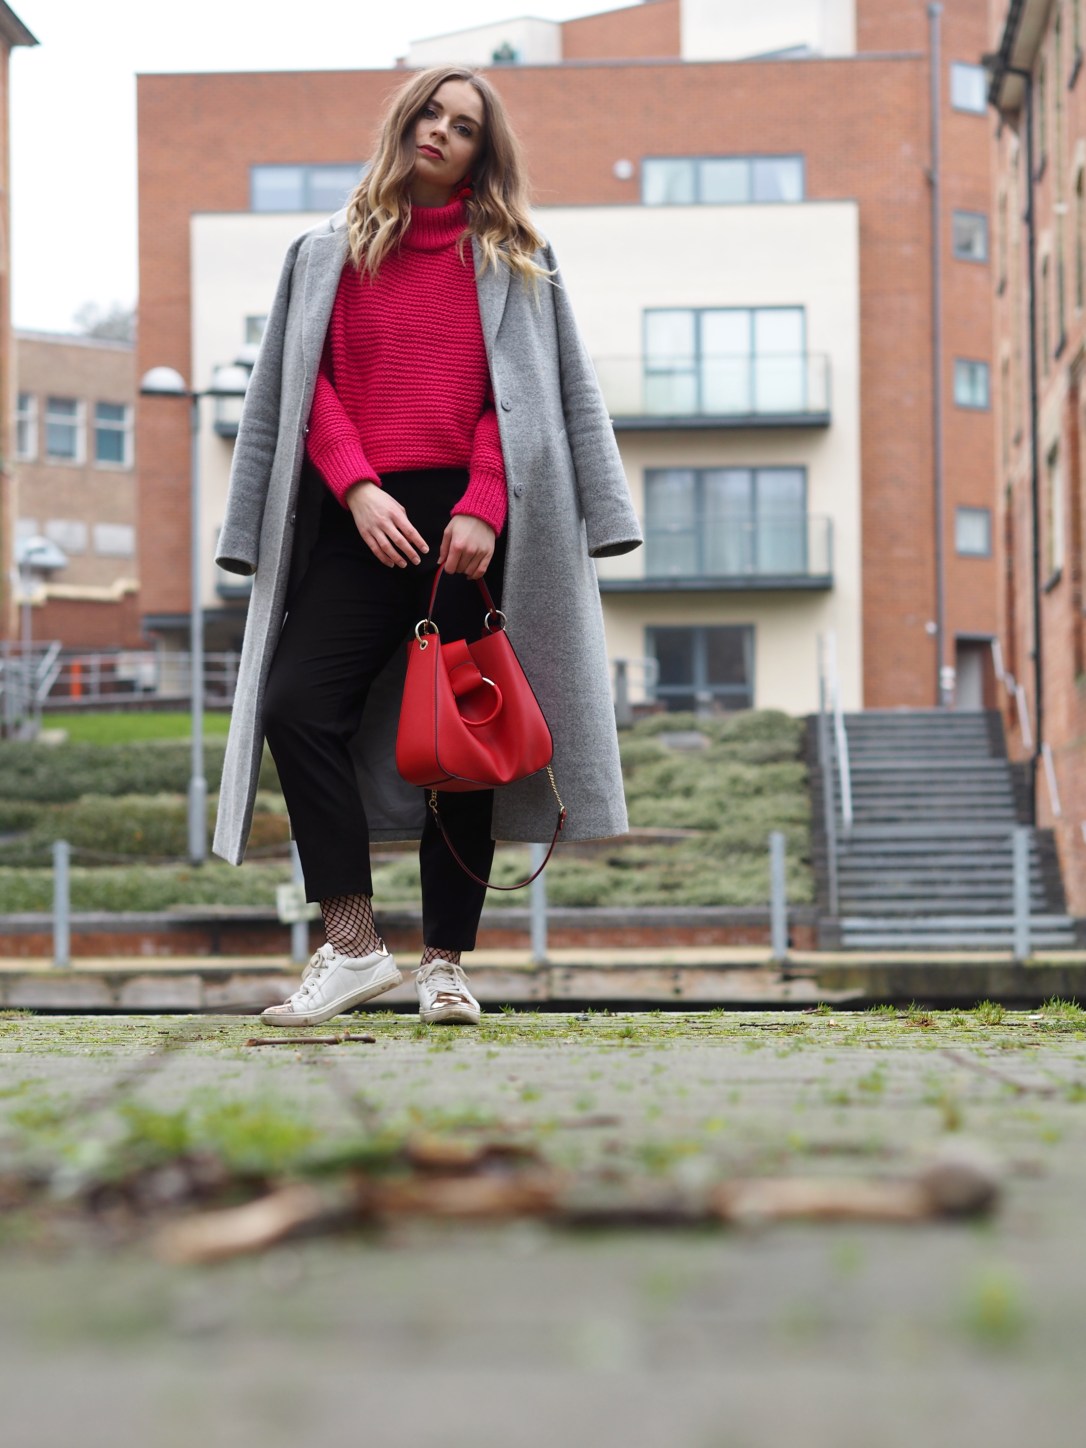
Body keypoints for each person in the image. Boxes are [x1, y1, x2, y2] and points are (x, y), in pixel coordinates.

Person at [212, 65, 642, 1029]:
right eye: (430, 115)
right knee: (296, 703)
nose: (441, 133)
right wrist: (358, 483)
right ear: (404, 124)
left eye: (464, 126)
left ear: (484, 153)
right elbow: (303, 385)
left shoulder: (515, 256)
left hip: (476, 530)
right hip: (356, 515)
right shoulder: (325, 251)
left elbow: (520, 398)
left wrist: (485, 501)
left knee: (468, 740)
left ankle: (446, 963)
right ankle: (354, 943)